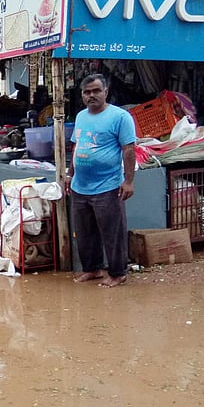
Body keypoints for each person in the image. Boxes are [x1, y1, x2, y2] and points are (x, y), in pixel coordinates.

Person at [65, 74, 136, 288]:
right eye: (87, 92)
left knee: (112, 232)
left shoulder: (120, 117)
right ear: (82, 95)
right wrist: (70, 175)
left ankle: (117, 273)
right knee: (85, 233)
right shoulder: (80, 117)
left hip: (107, 185)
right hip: (80, 186)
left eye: (96, 91)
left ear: (106, 92)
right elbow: (76, 147)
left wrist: (129, 181)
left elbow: (129, 150)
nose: (92, 95)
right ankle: (92, 268)